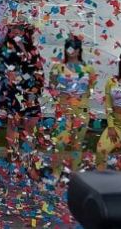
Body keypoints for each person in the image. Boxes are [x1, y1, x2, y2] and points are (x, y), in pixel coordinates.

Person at [0, 23, 45, 172]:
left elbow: (39, 69)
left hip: (30, 91)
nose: (16, 31)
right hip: (13, 91)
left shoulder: (31, 48)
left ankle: (28, 157)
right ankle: (13, 157)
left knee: (32, 121)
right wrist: (5, 75)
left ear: (25, 31)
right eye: (13, 28)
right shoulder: (6, 47)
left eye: (20, 28)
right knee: (13, 123)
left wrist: (38, 87)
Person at [48, 34, 97, 179]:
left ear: (79, 49)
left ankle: (76, 175)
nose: (72, 50)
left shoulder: (88, 69)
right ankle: (56, 174)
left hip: (81, 109)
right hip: (64, 109)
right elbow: (52, 85)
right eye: (69, 47)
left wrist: (81, 101)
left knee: (77, 143)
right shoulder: (57, 67)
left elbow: (91, 88)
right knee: (60, 142)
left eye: (75, 47)